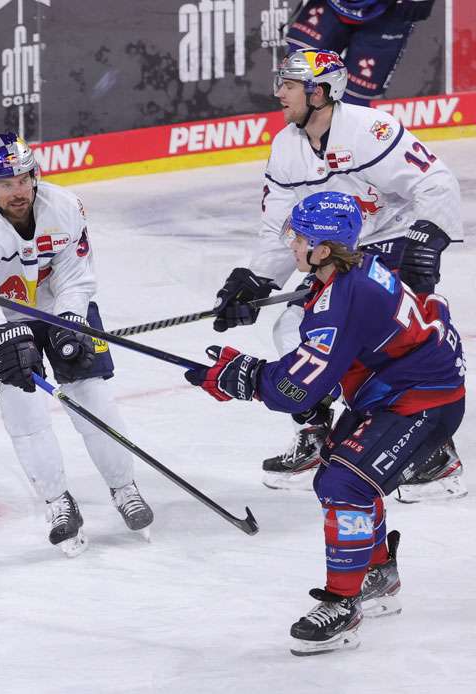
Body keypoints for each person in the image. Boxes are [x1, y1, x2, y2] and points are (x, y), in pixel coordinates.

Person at [187, 192, 465, 656]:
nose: (291, 242)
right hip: (395, 386)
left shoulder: (341, 301)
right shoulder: (356, 264)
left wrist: (243, 376)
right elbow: (389, 271)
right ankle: (375, 573)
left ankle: (343, 603)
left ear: (321, 250)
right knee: (341, 470)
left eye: (297, 236)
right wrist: (256, 291)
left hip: (421, 400)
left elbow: (299, 389)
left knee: (344, 483)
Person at [210, 47, 464, 500]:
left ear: (321, 92)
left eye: (289, 86)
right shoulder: (287, 145)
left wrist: (426, 241)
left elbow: (435, 181)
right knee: (296, 329)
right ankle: (317, 427)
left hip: (396, 240)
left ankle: (432, 448)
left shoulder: (370, 130)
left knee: (386, 341)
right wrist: (256, 278)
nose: (279, 94)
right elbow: (281, 223)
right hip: (341, 248)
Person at [0, 132, 154, 558]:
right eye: (6, 184)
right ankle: (57, 501)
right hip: (2, 322)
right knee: (21, 408)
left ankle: (123, 486)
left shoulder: (65, 206)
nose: (18, 191)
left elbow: (76, 277)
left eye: (24, 179)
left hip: (59, 308)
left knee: (93, 395)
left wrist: (72, 319)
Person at [286, 1, 437, 106]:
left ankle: (340, 147)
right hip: (332, 6)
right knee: (300, 75)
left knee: (354, 101)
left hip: (390, 15)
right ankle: (298, 147)